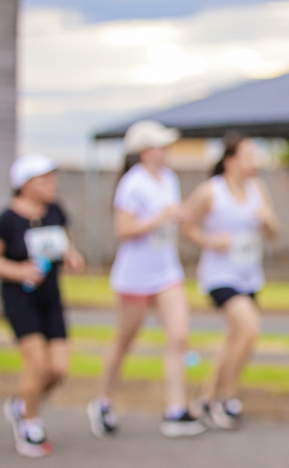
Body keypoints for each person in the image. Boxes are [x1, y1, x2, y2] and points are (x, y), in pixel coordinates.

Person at [88, 120, 206, 439]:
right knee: (125, 340)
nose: (165, 152)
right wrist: (159, 217)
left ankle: (176, 408)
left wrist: (181, 216)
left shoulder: (169, 179)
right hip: (135, 276)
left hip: (166, 271)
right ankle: (103, 400)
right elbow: (123, 230)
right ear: (143, 151)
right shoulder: (132, 184)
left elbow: (173, 219)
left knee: (179, 337)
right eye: (159, 146)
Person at [0, 155, 85, 457]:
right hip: (20, 298)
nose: (52, 184)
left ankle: (22, 404)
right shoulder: (7, 219)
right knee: (36, 365)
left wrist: (72, 257)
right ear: (25, 184)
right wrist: (18, 270)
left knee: (58, 369)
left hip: (50, 297)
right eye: (44, 179)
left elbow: (64, 243)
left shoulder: (55, 211)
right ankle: (30, 423)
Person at [182, 134, 280, 430]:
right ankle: (226, 397)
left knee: (237, 340)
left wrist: (267, 220)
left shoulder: (257, 189)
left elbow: (274, 232)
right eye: (248, 155)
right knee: (249, 328)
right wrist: (211, 241)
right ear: (230, 161)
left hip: (248, 275)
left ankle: (206, 398)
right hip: (220, 276)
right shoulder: (210, 192)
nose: (254, 162)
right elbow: (187, 224)